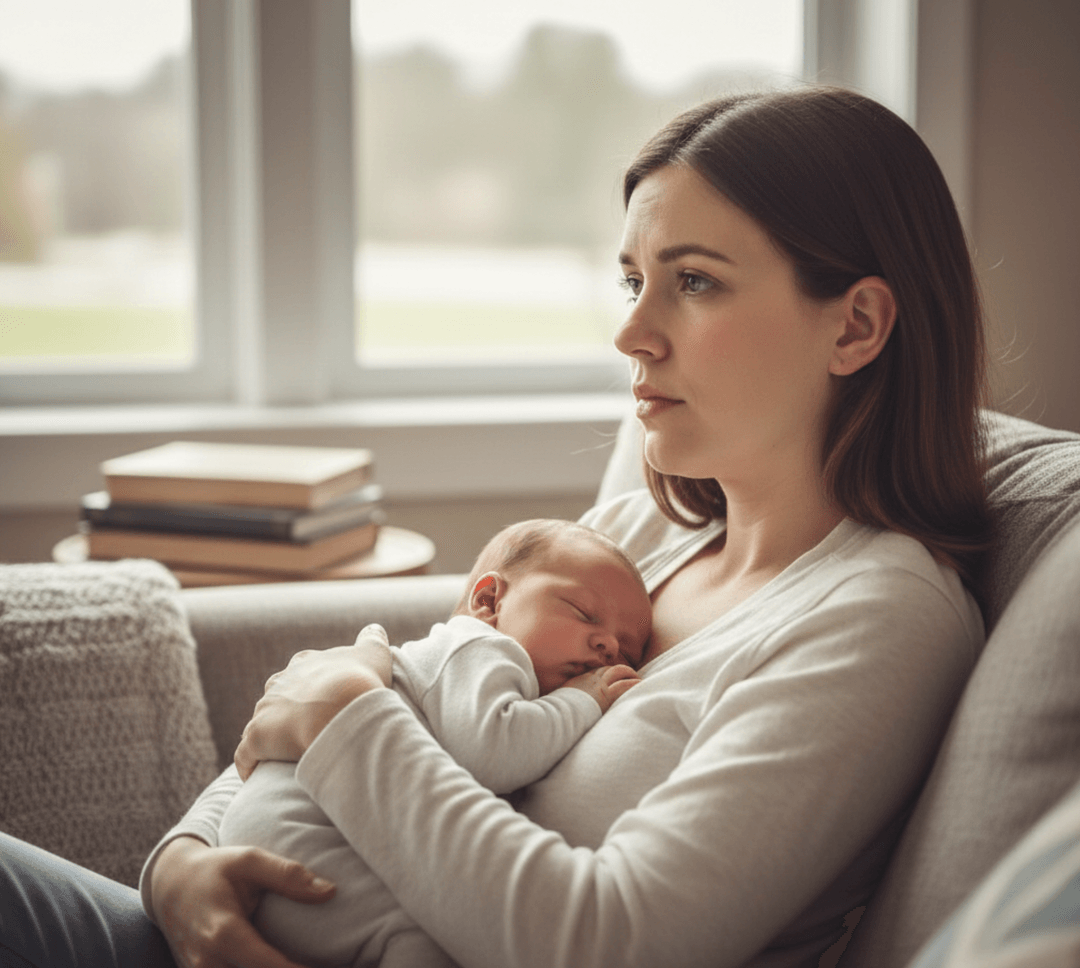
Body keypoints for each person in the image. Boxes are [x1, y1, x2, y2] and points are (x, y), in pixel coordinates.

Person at [0, 85, 994, 968]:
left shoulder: (878, 616)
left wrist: (345, 707)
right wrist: (181, 866)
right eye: (633, 279)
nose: (631, 330)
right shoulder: (640, 533)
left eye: (693, 280)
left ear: (856, 325)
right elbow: (402, 698)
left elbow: (611, 936)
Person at [216, 518, 649, 968]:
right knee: (420, 945)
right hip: (304, 831)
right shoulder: (484, 647)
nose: (606, 646)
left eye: (627, 653)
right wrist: (584, 698)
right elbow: (494, 752)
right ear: (488, 601)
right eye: (583, 613)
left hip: (272, 837)